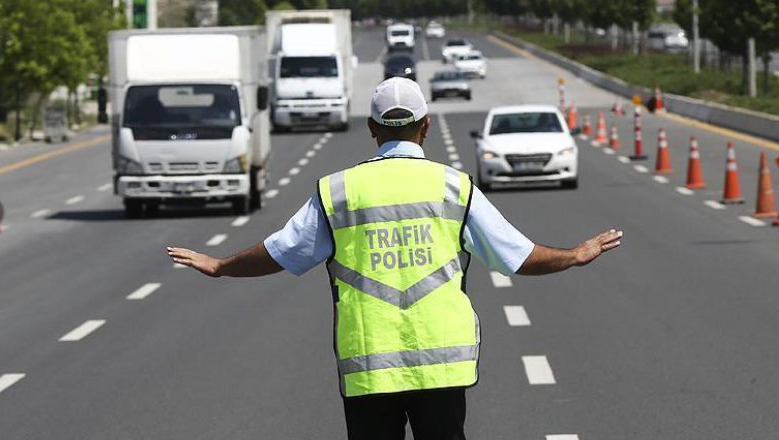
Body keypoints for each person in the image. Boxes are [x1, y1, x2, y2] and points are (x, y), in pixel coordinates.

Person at [167, 77, 622, 440]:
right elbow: (517, 257)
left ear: (371, 129)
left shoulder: (338, 191)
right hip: (442, 365)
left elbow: (282, 252)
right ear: (424, 127)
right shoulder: (453, 187)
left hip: (369, 364)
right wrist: (575, 254)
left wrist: (221, 266)